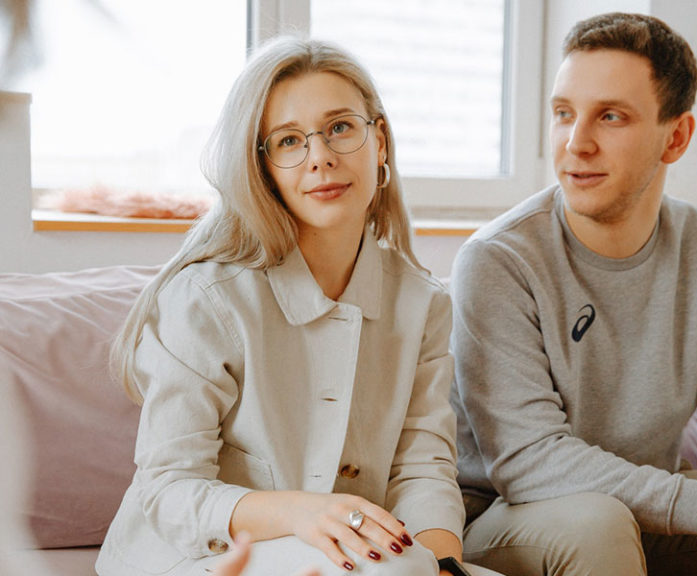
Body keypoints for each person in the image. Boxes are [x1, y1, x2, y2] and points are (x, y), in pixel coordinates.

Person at [95, 36, 498, 576]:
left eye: (340, 128)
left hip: (354, 555)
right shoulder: (206, 299)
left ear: (379, 141)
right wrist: (305, 514)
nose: (321, 157)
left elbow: (421, 468)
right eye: (288, 141)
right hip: (195, 555)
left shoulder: (422, 301)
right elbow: (169, 491)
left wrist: (444, 566)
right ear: (263, 169)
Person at [450, 12, 697, 576]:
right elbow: (528, 462)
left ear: (676, 137)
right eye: (564, 114)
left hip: (647, 505)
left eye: (611, 117)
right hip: (512, 515)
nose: (577, 143)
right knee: (598, 522)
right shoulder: (499, 259)